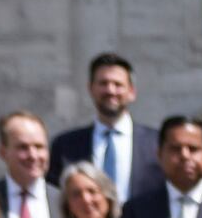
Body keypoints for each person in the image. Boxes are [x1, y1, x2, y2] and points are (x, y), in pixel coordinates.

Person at [50, 52, 161, 203]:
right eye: (103, 83)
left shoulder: (156, 143)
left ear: (132, 92)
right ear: (90, 88)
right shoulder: (65, 146)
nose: (110, 90)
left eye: (118, 84)